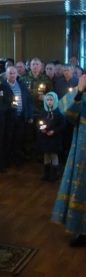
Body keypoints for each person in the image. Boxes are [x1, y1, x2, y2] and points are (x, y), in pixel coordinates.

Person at [52, 74, 86, 247]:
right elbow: (67, 112)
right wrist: (80, 91)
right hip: (83, 145)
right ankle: (82, 230)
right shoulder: (83, 85)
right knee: (81, 186)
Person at [37, 92, 65, 181]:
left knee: (53, 154)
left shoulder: (58, 113)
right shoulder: (43, 112)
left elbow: (62, 125)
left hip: (54, 138)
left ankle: (54, 173)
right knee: (46, 154)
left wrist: (54, 131)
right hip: (45, 138)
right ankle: (46, 173)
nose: (49, 102)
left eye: (51, 100)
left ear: (55, 101)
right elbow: (39, 123)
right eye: (47, 100)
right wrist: (41, 128)